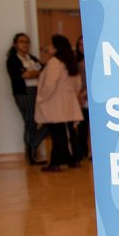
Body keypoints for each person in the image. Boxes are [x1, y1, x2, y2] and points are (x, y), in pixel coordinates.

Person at [35, 34, 83, 172]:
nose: (48, 48)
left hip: (55, 102)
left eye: (51, 45)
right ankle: (74, 159)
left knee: (58, 134)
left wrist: (41, 97)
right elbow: (77, 84)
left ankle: (57, 162)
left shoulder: (55, 62)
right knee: (70, 133)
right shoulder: (70, 62)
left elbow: (50, 84)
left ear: (56, 48)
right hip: (68, 101)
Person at [5, 33, 48, 165]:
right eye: (22, 42)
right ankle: (31, 153)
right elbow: (25, 75)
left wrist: (34, 73)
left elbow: (44, 71)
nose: (25, 44)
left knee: (45, 121)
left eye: (27, 42)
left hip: (37, 92)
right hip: (24, 93)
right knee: (30, 122)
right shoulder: (12, 60)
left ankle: (32, 147)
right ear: (15, 44)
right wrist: (35, 73)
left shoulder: (32, 58)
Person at [75, 35, 90, 159]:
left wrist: (85, 92)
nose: (82, 48)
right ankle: (83, 151)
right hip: (82, 98)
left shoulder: (92, 62)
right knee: (83, 126)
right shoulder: (79, 63)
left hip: (89, 96)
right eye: (80, 45)